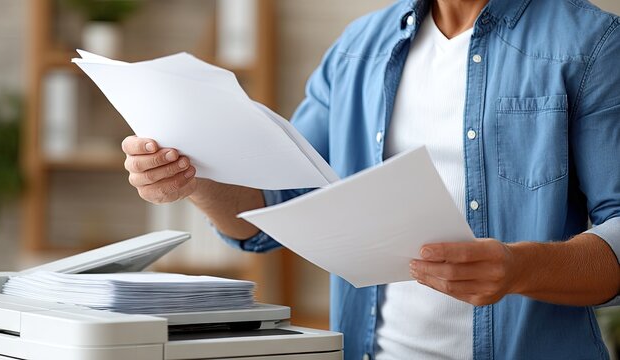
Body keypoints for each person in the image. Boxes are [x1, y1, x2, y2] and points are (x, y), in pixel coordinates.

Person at [121, 0, 620, 359]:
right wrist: (193, 179)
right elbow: (269, 211)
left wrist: (517, 269)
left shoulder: (590, 45)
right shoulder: (356, 49)